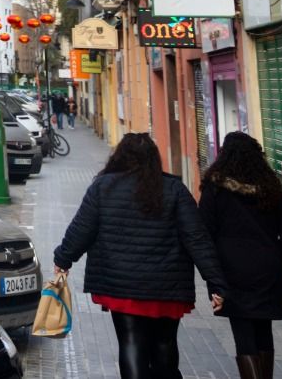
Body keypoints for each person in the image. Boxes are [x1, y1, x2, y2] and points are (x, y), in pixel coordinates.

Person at [54, 132, 228, 379]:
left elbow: (82, 229)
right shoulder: (174, 189)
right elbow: (197, 238)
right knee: (165, 343)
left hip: (122, 283)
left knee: (131, 342)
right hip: (167, 285)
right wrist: (216, 282)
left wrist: (63, 259)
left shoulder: (103, 187)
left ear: (120, 157)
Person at [200, 131, 282, 379]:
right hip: (267, 268)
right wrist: (275, 254)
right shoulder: (270, 187)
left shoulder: (215, 186)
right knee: (264, 330)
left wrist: (213, 275)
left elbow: (204, 232)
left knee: (243, 333)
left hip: (232, 269)